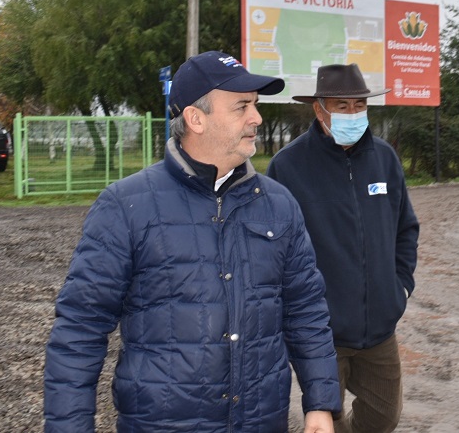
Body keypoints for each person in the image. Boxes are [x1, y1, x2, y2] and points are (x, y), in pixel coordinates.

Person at [44, 51, 341, 433]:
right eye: (242, 107)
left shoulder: (279, 204)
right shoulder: (126, 206)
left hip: (261, 421)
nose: (257, 118)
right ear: (195, 118)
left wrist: (319, 402)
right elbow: (79, 329)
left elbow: (305, 310)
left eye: (256, 105)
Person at [266, 63, 419, 433]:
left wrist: (398, 288)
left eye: (359, 106)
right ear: (319, 110)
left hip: (379, 330)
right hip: (321, 333)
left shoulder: (384, 159)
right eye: (342, 106)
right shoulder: (288, 167)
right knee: (325, 422)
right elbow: (273, 251)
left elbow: (406, 228)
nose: (353, 114)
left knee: (384, 417)